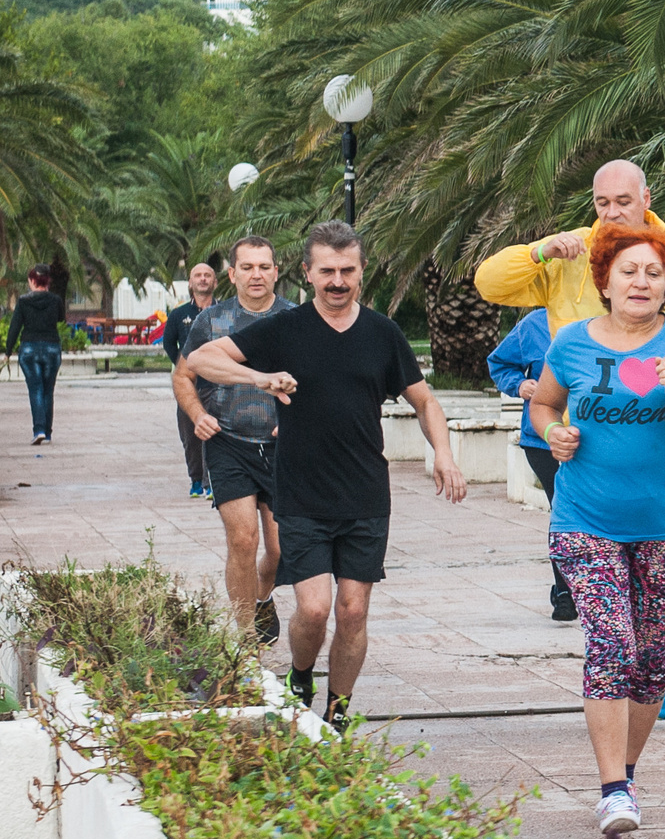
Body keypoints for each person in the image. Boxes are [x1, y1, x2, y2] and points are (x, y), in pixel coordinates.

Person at [185, 221, 466, 728]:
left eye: (347, 271)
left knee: (353, 611)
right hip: (301, 493)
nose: (338, 281)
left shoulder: (383, 334)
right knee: (314, 611)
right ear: (308, 273)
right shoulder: (285, 328)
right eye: (327, 271)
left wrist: (443, 453)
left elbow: (424, 400)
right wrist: (258, 377)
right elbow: (202, 358)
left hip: (364, 495)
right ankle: (300, 673)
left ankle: (337, 714)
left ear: (362, 271)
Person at [527, 219, 665, 835]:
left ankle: (628, 775)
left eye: (653, 274)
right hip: (584, 522)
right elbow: (543, 403)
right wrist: (552, 433)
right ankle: (613, 789)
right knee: (611, 646)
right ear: (605, 281)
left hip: (664, 528)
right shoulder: (571, 343)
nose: (641, 282)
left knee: (650, 661)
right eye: (629, 271)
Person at [475, 159, 665, 340]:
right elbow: (488, 284)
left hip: (663, 415)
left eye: (623, 202)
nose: (612, 212)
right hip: (581, 419)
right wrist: (538, 253)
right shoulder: (565, 252)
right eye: (602, 203)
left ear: (646, 198)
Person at [172, 238, 291, 645]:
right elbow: (183, 376)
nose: (256, 275)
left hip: (282, 449)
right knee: (243, 539)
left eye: (264, 266)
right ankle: (245, 641)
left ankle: (262, 596)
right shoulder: (212, 321)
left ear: (276, 272)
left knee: (280, 549)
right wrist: (198, 415)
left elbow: (319, 379)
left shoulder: (296, 319)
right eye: (247, 267)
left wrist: (297, 420)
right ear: (233, 274)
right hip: (228, 442)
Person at [486, 308, 575, 622]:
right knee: (564, 509)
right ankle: (565, 592)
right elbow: (499, 363)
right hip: (543, 440)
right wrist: (519, 384)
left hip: (596, 438)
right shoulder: (534, 324)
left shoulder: (607, 318)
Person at [162, 257, 221, 499]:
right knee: (190, 435)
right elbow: (168, 343)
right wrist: (185, 369)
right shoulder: (179, 315)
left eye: (207, 275)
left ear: (215, 282)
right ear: (190, 283)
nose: (203, 279)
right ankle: (196, 480)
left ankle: (212, 482)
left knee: (215, 434)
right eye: (198, 275)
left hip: (218, 383)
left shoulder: (224, 313)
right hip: (190, 386)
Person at [4, 266, 67, 445]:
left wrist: (8, 351)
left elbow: (15, 327)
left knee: (36, 389)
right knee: (48, 390)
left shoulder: (23, 301)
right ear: (48, 281)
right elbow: (61, 319)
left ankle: (39, 429)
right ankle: (47, 433)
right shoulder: (56, 300)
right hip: (51, 348)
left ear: (32, 281)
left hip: (29, 349)